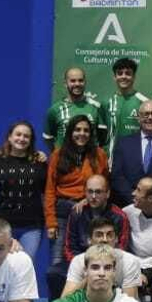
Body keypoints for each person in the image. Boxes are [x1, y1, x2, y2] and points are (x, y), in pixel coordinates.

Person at [44, 114, 109, 291]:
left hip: (91, 212)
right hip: (63, 212)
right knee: (58, 264)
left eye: (86, 130)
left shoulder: (100, 155)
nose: (82, 134)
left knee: (91, 260)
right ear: (70, 132)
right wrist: (51, 223)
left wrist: (86, 200)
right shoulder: (58, 155)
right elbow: (50, 189)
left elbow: (103, 185)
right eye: (77, 130)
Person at [0, 120, 47, 261]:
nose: (21, 139)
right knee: (1, 265)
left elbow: (46, 191)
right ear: (10, 137)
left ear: (31, 140)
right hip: (3, 225)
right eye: (18, 134)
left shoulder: (39, 161)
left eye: (26, 136)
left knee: (24, 265)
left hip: (32, 226)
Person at [63, 217, 144, 302]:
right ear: (89, 240)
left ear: (116, 239)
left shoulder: (130, 261)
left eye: (109, 235)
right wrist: (89, 278)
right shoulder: (78, 261)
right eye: (99, 235)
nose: (105, 239)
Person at [100, 57, 150, 159]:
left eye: (128, 73)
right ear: (114, 77)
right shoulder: (106, 103)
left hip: (136, 159)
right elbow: (101, 136)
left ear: (134, 76)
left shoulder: (145, 103)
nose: (124, 76)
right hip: (110, 160)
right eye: (120, 73)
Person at [42, 66, 101, 147]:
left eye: (80, 80)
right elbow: (48, 138)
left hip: (89, 158)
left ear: (85, 82)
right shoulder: (55, 110)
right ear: (65, 84)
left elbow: (102, 137)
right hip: (64, 158)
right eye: (73, 81)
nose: (77, 84)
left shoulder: (96, 107)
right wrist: (59, 154)